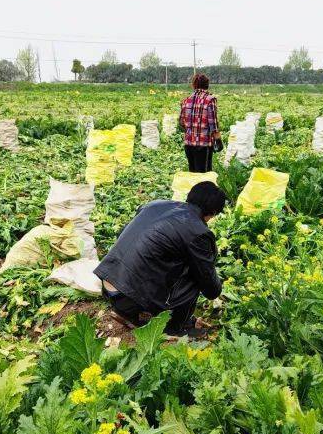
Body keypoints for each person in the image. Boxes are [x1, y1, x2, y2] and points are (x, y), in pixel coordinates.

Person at [94, 181, 225, 338]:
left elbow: (124, 235)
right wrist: (217, 287)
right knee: (195, 274)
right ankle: (176, 328)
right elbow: (210, 286)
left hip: (109, 285)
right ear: (212, 212)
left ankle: (131, 313)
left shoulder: (155, 205)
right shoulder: (198, 232)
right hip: (131, 300)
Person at [179, 73, 220, 172]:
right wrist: (218, 140)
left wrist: (191, 129)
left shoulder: (186, 100)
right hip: (203, 145)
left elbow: (181, 122)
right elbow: (213, 124)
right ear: (207, 84)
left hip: (189, 144)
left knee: (193, 174)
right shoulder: (210, 100)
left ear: (194, 85)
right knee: (204, 176)